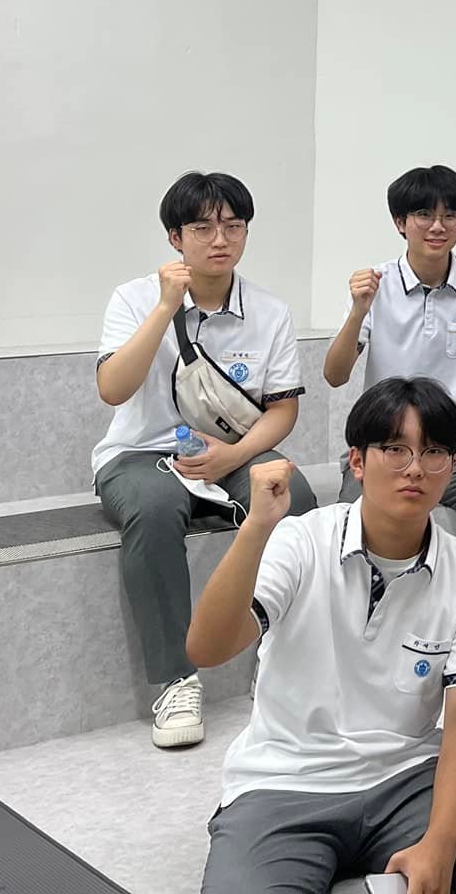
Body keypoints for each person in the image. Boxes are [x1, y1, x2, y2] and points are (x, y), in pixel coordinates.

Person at [187, 379, 456, 894]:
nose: (415, 468)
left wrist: (440, 848)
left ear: (451, 465)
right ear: (357, 461)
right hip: (287, 778)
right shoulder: (300, 540)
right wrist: (256, 527)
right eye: (395, 449)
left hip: (407, 778)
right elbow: (207, 648)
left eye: (433, 452)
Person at [93, 170, 317, 750]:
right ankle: (176, 679)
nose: (220, 239)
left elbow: (282, 410)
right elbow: (113, 389)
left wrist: (233, 457)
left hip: (232, 450)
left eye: (233, 226)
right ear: (175, 237)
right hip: (141, 454)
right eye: (202, 228)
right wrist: (166, 307)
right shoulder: (134, 298)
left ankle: (281, 659)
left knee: (298, 499)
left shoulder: (269, 310)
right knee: (154, 508)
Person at [323, 165, 456, 564]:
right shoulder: (376, 283)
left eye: (450, 216)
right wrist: (358, 312)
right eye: (424, 215)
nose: (438, 226)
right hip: (385, 444)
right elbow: (335, 375)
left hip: (453, 450)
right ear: (400, 222)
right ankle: (368, 594)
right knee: (346, 519)